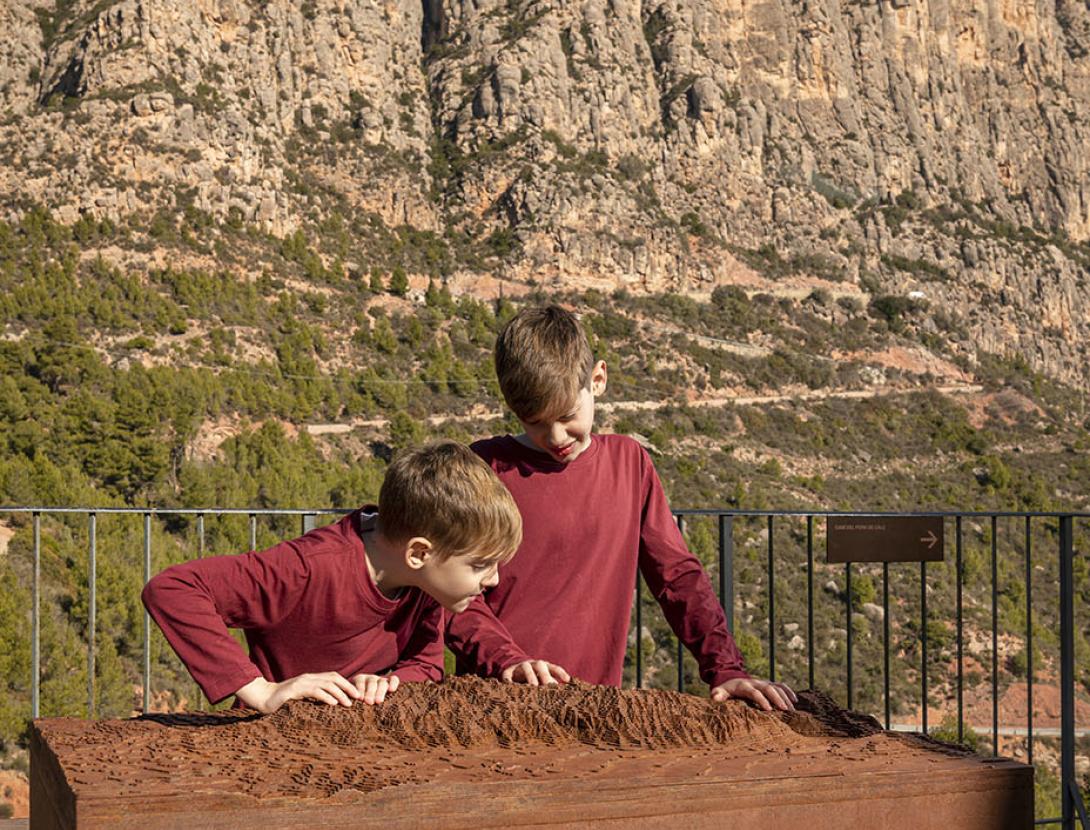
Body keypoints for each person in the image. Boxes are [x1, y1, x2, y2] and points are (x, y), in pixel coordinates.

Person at [446, 305, 796, 712]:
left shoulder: (630, 463)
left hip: (596, 711)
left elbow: (677, 577)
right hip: (493, 706)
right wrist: (508, 660)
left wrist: (726, 667)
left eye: (566, 415)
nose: (555, 436)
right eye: (534, 422)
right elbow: (447, 591)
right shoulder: (482, 467)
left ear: (597, 379)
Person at [143, 441, 522, 713]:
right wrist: (261, 691)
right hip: (270, 748)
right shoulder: (308, 567)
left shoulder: (423, 582)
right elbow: (174, 588)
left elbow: (426, 664)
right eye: (481, 565)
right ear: (419, 553)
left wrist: (389, 682)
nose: (493, 580)